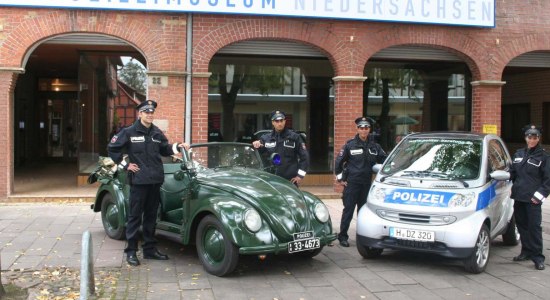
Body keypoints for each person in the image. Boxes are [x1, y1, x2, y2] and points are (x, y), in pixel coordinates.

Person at [108, 100, 189, 267]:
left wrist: (179, 146)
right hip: (139, 182)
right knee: (135, 217)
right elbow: (112, 148)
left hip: (155, 181)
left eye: (152, 112)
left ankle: (149, 250)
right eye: (146, 112)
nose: (150, 114)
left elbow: (165, 149)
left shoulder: (156, 132)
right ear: (140, 114)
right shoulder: (129, 132)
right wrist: (125, 165)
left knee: (152, 217)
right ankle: (131, 252)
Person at [334, 117, 386, 247]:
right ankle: (343, 236)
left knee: (363, 213)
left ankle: (361, 237)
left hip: (366, 184)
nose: (364, 130)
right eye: (361, 128)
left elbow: (385, 160)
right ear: (357, 129)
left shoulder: (375, 146)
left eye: (366, 128)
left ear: (369, 129)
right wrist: (340, 179)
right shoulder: (350, 145)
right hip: (352, 183)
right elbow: (338, 163)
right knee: (348, 211)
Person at [510, 124, 550, 270]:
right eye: (529, 137)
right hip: (519, 197)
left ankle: (538, 257)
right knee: (522, 226)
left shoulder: (544, 157)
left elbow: (547, 181)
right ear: (525, 138)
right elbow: (513, 173)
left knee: (534, 228)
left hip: (533, 199)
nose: (532, 140)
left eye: (535, 137)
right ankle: (526, 251)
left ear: (539, 138)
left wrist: (538, 197)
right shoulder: (519, 154)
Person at [252, 110, 309, 185]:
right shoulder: (265, 138)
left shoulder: (294, 137)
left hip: (289, 181)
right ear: (272, 122)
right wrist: (257, 144)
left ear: (285, 121)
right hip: (270, 180)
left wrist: (300, 176)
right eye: (277, 121)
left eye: (281, 120)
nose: (279, 123)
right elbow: (261, 156)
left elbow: (305, 158)